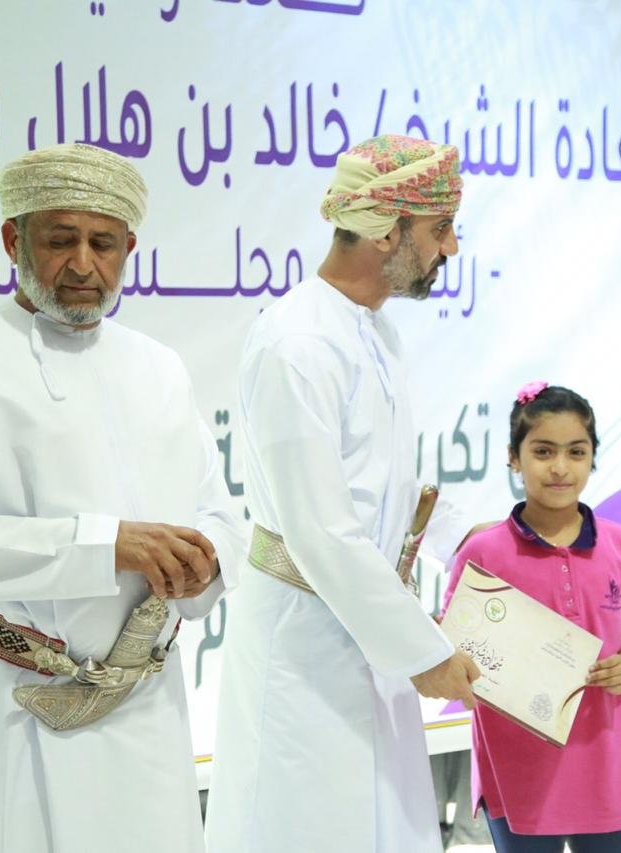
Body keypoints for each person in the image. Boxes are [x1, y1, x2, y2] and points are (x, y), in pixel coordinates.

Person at [0, 142, 245, 853]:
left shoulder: (160, 367)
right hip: (18, 707)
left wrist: (208, 560)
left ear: (129, 250)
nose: (84, 264)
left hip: (148, 709)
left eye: (103, 243)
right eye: (61, 240)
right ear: (12, 240)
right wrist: (102, 544)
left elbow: (218, 509)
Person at [205, 134, 481, 853]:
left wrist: (478, 546)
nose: (450, 248)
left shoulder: (376, 332)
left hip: (371, 628)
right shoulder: (297, 342)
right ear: (387, 230)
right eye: (441, 229)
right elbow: (322, 530)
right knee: (307, 827)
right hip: (306, 644)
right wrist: (422, 652)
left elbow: (386, 493)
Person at [442, 382, 621, 853]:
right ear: (513, 457)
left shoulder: (620, 545)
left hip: (604, 770)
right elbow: (451, 649)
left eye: (576, 452)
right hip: (518, 775)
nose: (560, 467)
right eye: (543, 451)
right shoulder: (483, 553)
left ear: (592, 457)